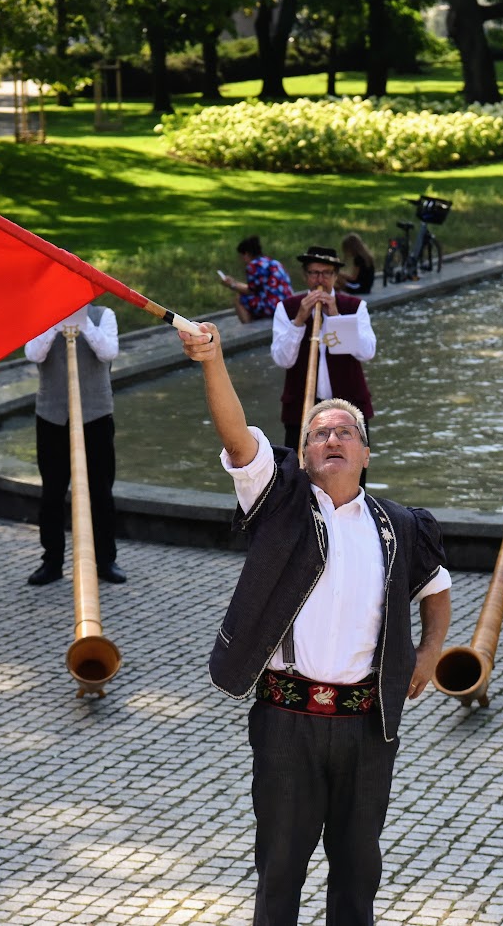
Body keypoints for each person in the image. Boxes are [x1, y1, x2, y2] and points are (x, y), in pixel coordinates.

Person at [177, 320, 451, 926]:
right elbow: (236, 435)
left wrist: (430, 652)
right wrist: (212, 361)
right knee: (280, 872)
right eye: (319, 433)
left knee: (357, 875)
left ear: (365, 452)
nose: (332, 438)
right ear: (302, 454)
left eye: (345, 432)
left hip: (366, 728)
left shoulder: (399, 525)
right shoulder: (279, 501)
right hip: (286, 723)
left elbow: (437, 589)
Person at [23, 304, 126, 587]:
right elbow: (33, 354)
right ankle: (52, 561)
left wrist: (84, 326)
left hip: (96, 415)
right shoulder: (41, 315)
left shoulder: (104, 315)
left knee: (101, 491)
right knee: (52, 493)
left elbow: (109, 352)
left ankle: (105, 560)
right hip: (52, 417)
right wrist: (54, 326)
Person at [272, 245, 377, 453]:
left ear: (336, 276)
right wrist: (299, 320)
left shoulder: (355, 308)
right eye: (314, 273)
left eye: (326, 273)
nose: (320, 280)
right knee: (300, 477)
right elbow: (283, 360)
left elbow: (367, 352)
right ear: (305, 275)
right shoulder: (287, 308)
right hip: (302, 409)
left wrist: (336, 319)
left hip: (348, 408)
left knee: (351, 478)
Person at [220, 235, 293, 323]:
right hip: (287, 303)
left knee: (239, 298)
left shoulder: (253, 266)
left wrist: (232, 285)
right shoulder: (273, 262)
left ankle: (248, 329)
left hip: (273, 306)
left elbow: (251, 291)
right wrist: (235, 283)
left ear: (246, 254)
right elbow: (256, 288)